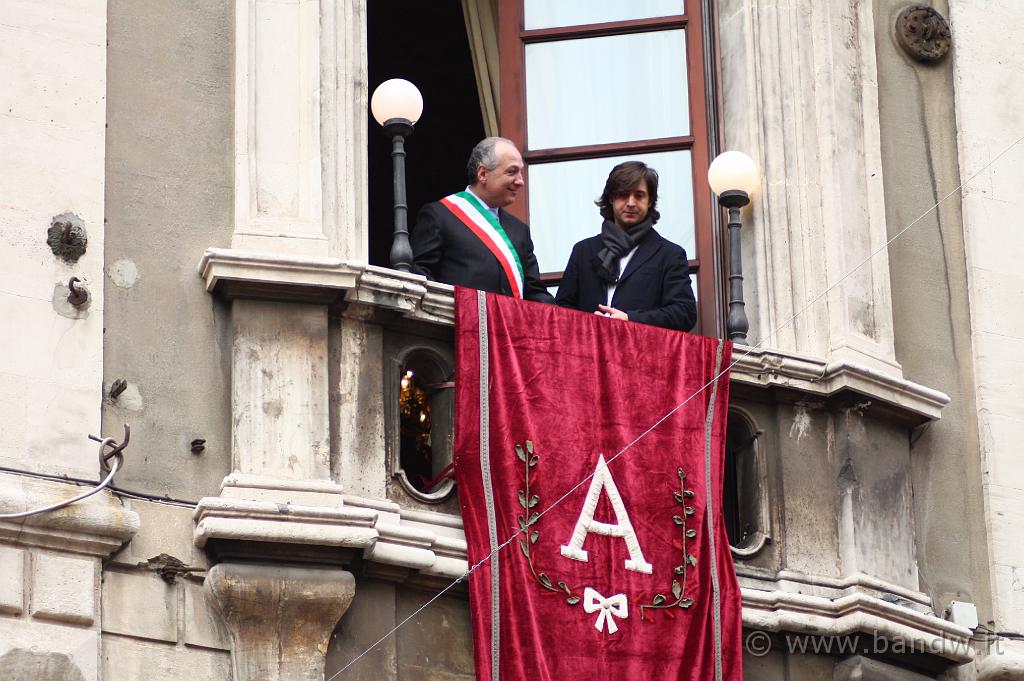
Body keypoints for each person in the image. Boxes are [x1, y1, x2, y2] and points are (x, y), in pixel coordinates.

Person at [555, 161, 697, 331]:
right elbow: (562, 309)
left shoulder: (670, 254)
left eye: (639, 195)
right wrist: (589, 325)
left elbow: (684, 313)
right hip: (589, 353)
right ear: (611, 198)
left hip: (643, 354)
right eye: (623, 194)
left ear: (650, 200)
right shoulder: (583, 251)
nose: (631, 202)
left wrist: (631, 320)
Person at [410, 137, 554, 303]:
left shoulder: (519, 230)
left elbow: (534, 292)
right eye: (512, 171)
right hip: (459, 325)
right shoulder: (439, 215)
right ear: (483, 174)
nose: (520, 181)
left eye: (520, 172)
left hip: (509, 327)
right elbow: (419, 274)